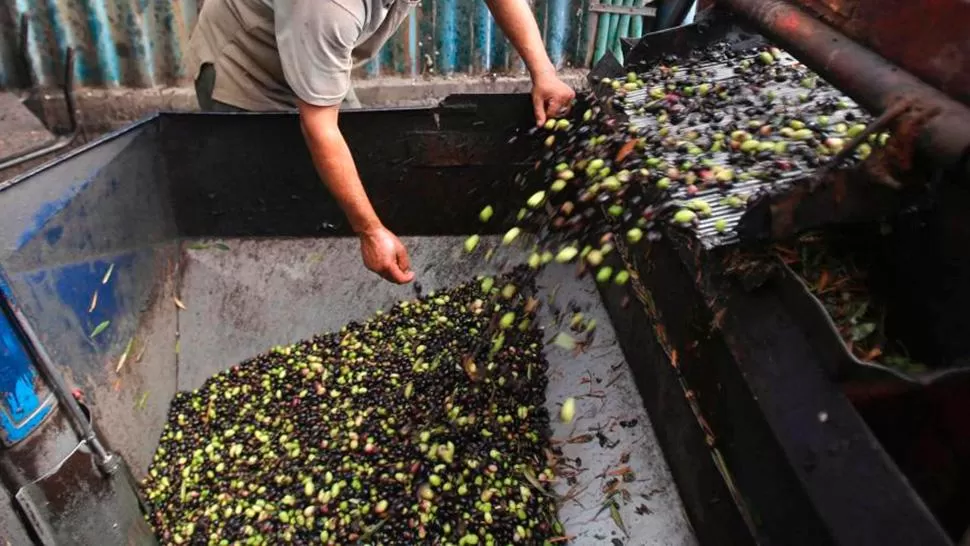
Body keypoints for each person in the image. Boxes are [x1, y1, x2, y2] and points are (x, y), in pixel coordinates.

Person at [187, 0, 576, 284]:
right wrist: (369, 232)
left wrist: (542, 71)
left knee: (357, 171)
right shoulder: (326, 8)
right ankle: (272, 286)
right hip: (248, 68)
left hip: (307, 48)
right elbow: (321, 128)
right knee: (275, 205)